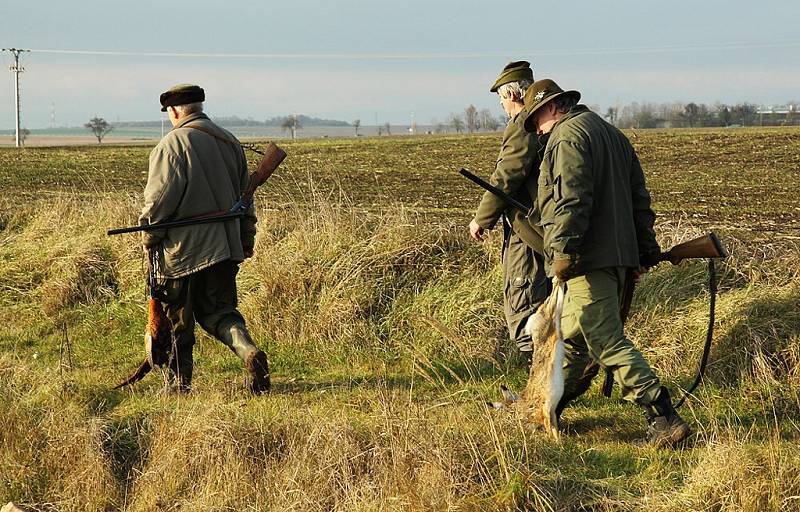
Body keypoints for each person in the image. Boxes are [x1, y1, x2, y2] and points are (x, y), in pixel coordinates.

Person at [522, 78, 690, 446]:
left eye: (536, 121)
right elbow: (639, 201)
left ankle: (664, 417)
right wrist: (645, 250)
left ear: (552, 108)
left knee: (604, 340)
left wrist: (563, 252)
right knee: (572, 338)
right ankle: (542, 411)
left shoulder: (567, 138)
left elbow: (570, 199)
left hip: (587, 258)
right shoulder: (613, 135)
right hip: (614, 258)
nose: (538, 131)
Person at [139, 83, 270, 394]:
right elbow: (246, 199)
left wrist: (149, 236)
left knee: (177, 322)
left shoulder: (171, 145)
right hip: (225, 248)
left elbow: (158, 202)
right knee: (221, 313)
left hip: (181, 253)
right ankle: (249, 352)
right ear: (199, 106)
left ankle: (177, 387)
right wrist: (245, 237)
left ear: (173, 111)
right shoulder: (230, 142)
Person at [468, 61, 550, 365]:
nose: (502, 105)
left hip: (527, 230)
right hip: (544, 228)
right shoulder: (543, 121)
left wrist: (482, 219)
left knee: (524, 317)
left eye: (502, 98)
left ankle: (545, 391)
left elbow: (507, 176)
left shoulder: (523, 124)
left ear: (513, 95)